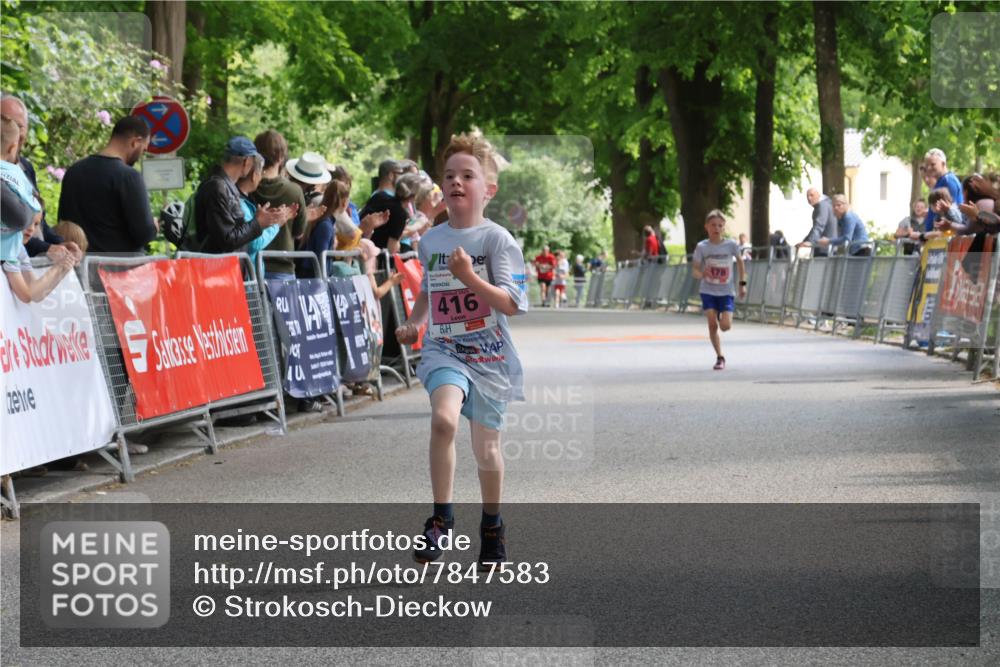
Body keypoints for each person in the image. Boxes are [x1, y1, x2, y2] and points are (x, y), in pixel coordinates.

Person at [394, 133, 528, 569]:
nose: (456, 182)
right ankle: (441, 518)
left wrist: (471, 278)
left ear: (487, 189)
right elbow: (430, 292)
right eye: (449, 175)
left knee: (486, 450)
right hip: (445, 349)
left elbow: (512, 303)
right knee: (442, 421)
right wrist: (415, 321)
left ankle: (492, 526)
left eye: (467, 175)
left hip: (488, 355)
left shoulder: (497, 241)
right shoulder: (431, 240)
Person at [56, 116, 157, 254]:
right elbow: (143, 234)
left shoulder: (74, 171)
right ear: (135, 142)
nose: (141, 155)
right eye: (143, 149)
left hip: (80, 265)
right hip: (119, 269)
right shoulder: (129, 177)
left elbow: (64, 223)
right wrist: (154, 227)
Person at [0, 94, 68, 259]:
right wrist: (46, 248)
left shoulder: (25, 167)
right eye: (8, 123)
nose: (15, 130)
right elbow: (21, 220)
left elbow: (38, 219)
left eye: (20, 125)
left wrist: (59, 244)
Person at [193, 136, 289, 254]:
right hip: (217, 269)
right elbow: (227, 239)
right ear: (247, 161)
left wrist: (258, 222)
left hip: (223, 268)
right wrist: (258, 223)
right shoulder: (218, 188)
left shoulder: (221, 186)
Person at [691, 210, 746, 371]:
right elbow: (694, 270)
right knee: (712, 325)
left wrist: (742, 284)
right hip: (708, 290)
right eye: (713, 225)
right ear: (706, 227)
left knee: (725, 326)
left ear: (724, 227)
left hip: (726, 291)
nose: (716, 228)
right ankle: (720, 357)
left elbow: (741, 264)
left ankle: (724, 315)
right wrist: (702, 273)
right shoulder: (702, 247)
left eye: (720, 225)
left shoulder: (731, 245)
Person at [235, 154, 281, 266]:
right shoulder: (240, 203)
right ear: (254, 175)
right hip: (246, 274)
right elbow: (254, 243)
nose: (261, 177)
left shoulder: (243, 199)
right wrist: (277, 224)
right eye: (261, 173)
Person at [360, 159, 408, 254]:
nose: (403, 179)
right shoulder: (381, 199)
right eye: (401, 174)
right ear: (391, 175)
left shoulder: (389, 199)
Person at [920, 148, 963, 232]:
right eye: (927, 165)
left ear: (943, 164)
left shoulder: (949, 181)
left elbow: (949, 210)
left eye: (933, 164)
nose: (929, 168)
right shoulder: (940, 181)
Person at [797, 187, 838, 256]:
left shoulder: (822, 205)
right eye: (807, 196)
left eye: (811, 195)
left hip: (824, 248)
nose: (809, 198)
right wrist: (805, 241)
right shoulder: (825, 205)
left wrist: (810, 241)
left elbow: (819, 226)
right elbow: (816, 227)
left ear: (818, 195)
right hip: (826, 247)